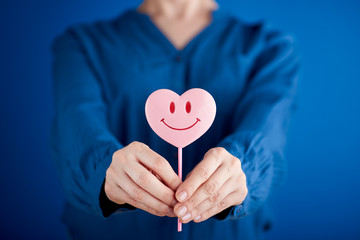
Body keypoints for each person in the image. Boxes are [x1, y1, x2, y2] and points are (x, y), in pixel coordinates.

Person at [50, 0, 299, 239]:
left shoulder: (269, 47)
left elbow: (267, 133)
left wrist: (242, 169)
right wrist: (105, 170)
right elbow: (76, 127)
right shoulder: (82, 44)